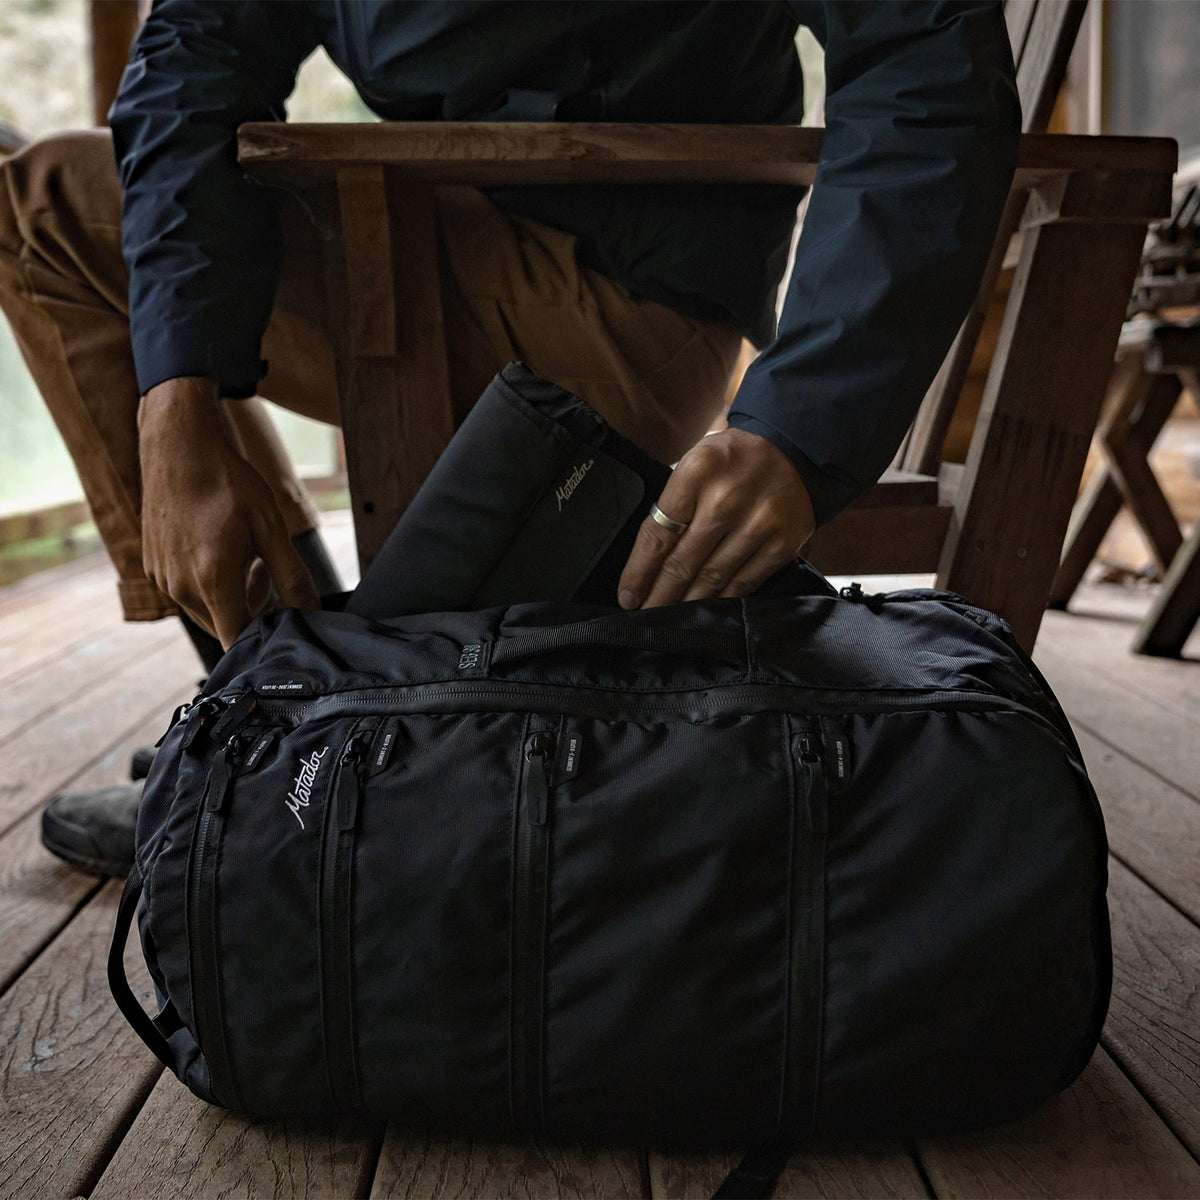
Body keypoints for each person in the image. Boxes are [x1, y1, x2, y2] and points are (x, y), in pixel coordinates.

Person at [0, 0, 1020, 876]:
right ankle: (293, 718)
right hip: (434, 231)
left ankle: (308, 744)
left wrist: (807, 421)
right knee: (40, 198)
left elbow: (923, 56)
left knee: (45, 203)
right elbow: (196, 49)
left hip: (622, 299)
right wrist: (174, 400)